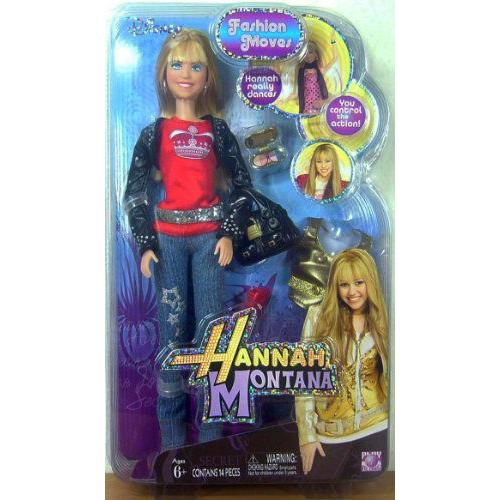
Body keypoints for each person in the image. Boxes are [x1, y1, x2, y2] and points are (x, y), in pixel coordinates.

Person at [123, 28, 252, 450]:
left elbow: (242, 186)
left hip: (210, 240)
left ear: (208, 76)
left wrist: (229, 233)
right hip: (168, 242)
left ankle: (210, 442)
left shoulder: (217, 130)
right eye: (177, 65)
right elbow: (135, 194)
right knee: (171, 335)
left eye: (196, 66)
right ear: (163, 73)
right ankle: (173, 447)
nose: (186, 73)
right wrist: (145, 243)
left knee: (212, 334)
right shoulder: (154, 133)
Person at [295, 248, 389, 476]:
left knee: (371, 487)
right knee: (319, 488)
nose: (352, 292)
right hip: (329, 434)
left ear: (371, 282)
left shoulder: (385, 319)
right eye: (344, 285)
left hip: (377, 428)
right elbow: (304, 380)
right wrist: (307, 436)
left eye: (359, 282)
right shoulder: (318, 318)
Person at [298, 41, 329, 114]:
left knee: (319, 117)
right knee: (307, 118)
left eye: (311, 53)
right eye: (305, 54)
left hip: (319, 102)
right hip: (307, 103)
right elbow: (298, 89)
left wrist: (333, 41)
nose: (308, 56)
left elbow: (335, 58)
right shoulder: (301, 71)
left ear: (316, 54)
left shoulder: (320, 70)